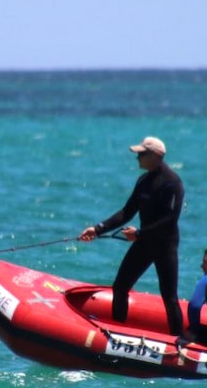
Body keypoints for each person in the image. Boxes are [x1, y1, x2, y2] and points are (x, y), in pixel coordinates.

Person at [79, 136, 185, 335]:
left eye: (141, 154)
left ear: (155, 156)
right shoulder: (144, 181)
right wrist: (98, 229)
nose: (137, 158)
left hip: (165, 245)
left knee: (169, 297)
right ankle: (117, 332)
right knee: (120, 287)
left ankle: (178, 342)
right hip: (145, 242)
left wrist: (139, 233)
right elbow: (127, 212)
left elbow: (169, 219)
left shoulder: (172, 183)